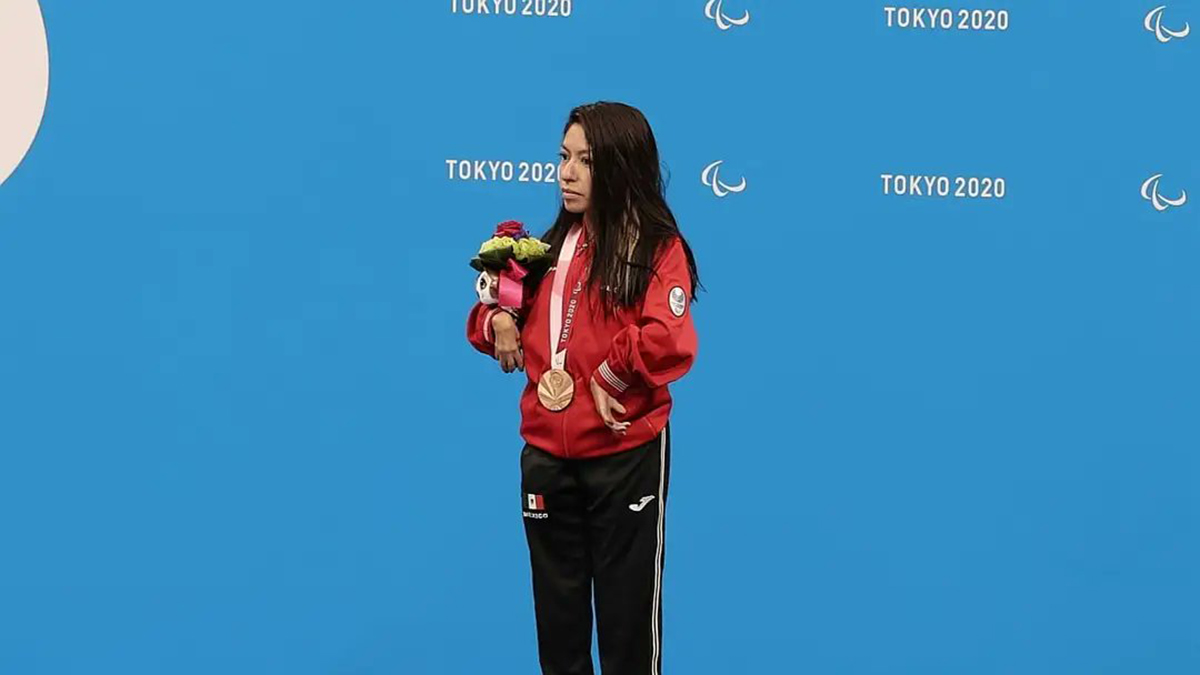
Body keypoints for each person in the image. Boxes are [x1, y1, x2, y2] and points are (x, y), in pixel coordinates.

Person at [466, 101, 700, 675]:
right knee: (560, 637)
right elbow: (494, 314)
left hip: (623, 457)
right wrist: (497, 322)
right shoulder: (544, 250)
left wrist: (608, 377)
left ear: (620, 167)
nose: (566, 173)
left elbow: (668, 339)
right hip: (547, 458)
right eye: (563, 157)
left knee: (626, 636)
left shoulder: (655, 249)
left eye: (585, 161)